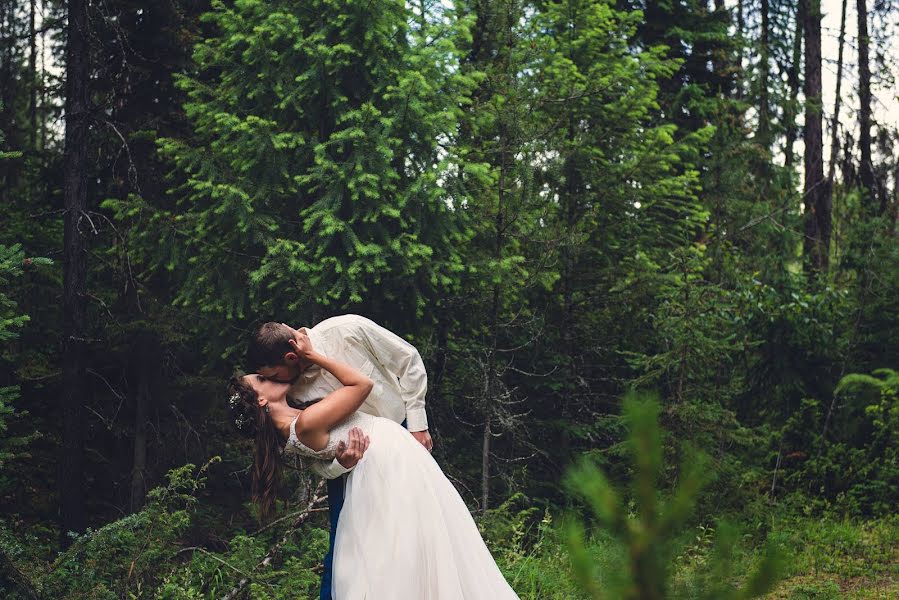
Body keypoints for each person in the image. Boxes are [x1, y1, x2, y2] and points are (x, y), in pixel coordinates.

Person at [228, 332, 519, 599]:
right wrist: (314, 357)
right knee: (411, 548)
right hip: (387, 462)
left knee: (402, 551)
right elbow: (361, 385)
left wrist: (340, 464)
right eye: (262, 380)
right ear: (262, 399)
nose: (272, 379)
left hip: (383, 461)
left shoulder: (291, 426)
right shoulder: (304, 423)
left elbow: (321, 462)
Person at [245, 315, 433, 599]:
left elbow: (407, 360)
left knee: (417, 530)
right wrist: (340, 464)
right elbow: (311, 450)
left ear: (290, 356)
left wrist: (418, 425)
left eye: (273, 375)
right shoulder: (289, 392)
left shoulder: (346, 330)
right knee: (346, 551)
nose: (273, 381)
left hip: (400, 434)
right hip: (352, 465)